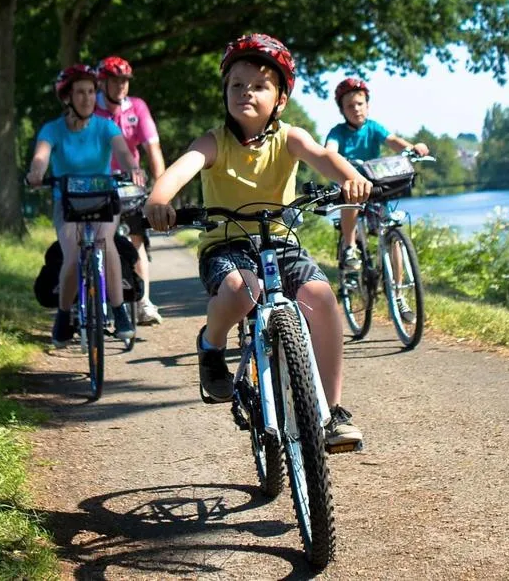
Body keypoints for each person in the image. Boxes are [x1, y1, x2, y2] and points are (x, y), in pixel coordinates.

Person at [144, 34, 372, 448]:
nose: (245, 92)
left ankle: (331, 413)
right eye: (236, 84)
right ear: (225, 92)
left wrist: (352, 179)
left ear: (280, 99)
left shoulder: (290, 138)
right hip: (226, 246)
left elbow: (325, 158)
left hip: (281, 242)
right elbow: (179, 171)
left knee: (321, 296)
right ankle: (211, 344)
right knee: (241, 291)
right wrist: (159, 200)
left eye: (259, 85)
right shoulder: (214, 141)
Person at [26, 64, 141, 347]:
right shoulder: (52, 130)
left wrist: (133, 169)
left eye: (91, 91)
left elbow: (123, 152)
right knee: (72, 253)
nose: (87, 98)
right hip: (66, 202)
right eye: (80, 92)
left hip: (103, 198)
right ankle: (63, 315)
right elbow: (41, 156)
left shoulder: (105, 127)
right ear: (67, 97)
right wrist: (36, 173)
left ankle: (119, 311)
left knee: (105, 241)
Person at [326, 77, 430, 323]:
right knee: (351, 199)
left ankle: (399, 295)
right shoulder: (337, 132)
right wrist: (331, 156)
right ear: (342, 110)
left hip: (374, 187)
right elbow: (330, 149)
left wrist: (413, 148)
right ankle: (350, 248)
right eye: (350, 106)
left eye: (360, 104)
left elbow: (394, 141)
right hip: (351, 186)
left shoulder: (374, 128)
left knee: (392, 236)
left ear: (368, 105)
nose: (356, 109)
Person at [95, 56, 166, 326]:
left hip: (129, 184)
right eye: (115, 80)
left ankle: (144, 302)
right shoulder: (91, 109)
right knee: (92, 239)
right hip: (96, 184)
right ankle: (88, 300)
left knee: (136, 240)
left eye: (125, 80)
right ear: (102, 83)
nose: (121, 85)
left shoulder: (137, 107)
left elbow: (153, 149)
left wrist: (161, 188)